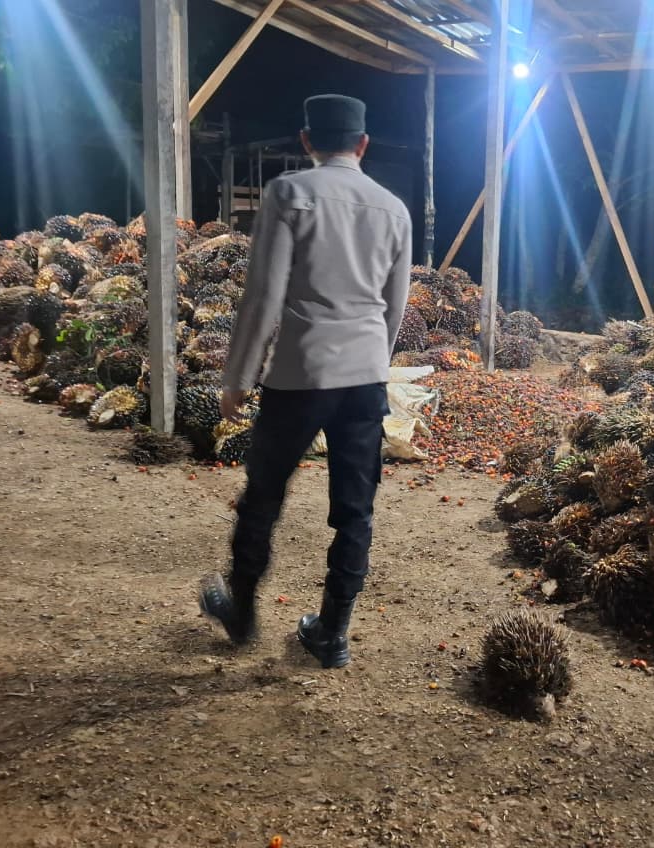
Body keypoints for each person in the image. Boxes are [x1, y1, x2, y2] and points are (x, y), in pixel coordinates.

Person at [199, 94, 412, 669]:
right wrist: (374, 361)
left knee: (264, 496)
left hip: (300, 373)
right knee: (355, 510)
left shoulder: (289, 193)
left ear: (306, 140)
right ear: (363, 144)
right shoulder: (393, 208)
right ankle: (332, 633)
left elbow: (263, 295)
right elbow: (394, 307)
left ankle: (242, 611)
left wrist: (239, 376)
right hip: (364, 379)